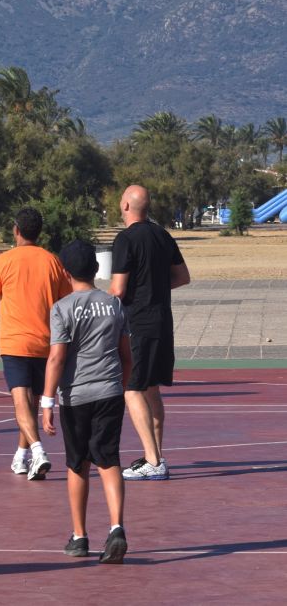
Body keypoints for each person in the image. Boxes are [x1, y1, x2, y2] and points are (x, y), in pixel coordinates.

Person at [41, 240, 133, 564]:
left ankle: (79, 536)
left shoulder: (62, 308)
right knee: (109, 460)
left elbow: (56, 358)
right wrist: (118, 387)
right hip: (109, 392)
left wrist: (47, 401)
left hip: (76, 396)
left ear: (65, 273)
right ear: (96, 269)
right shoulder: (114, 304)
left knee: (77, 463)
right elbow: (127, 356)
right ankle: (117, 527)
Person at [0, 207, 72, 481]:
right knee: (31, 403)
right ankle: (21, 457)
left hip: (15, 341)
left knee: (20, 400)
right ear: (40, 232)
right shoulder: (52, 261)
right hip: (46, 342)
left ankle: (37, 450)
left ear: (16, 230)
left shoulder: (4, 261)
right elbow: (63, 301)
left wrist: (6, 310)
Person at [110, 184, 189, 481]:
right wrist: (153, 287)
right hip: (162, 321)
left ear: (127, 206)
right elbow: (182, 276)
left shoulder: (126, 239)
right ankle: (155, 455)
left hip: (138, 324)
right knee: (151, 388)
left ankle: (154, 461)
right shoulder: (163, 235)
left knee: (131, 389)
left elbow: (118, 288)